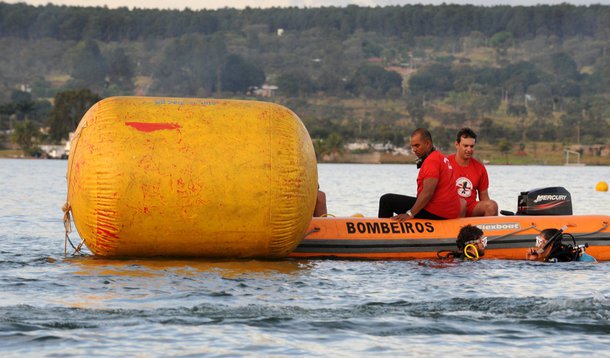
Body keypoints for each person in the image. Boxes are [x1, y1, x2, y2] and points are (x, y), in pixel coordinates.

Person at [378, 128, 462, 221]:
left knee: (386, 200)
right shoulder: (440, 157)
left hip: (438, 212)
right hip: (449, 211)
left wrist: (410, 213)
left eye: (417, 146)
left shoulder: (432, 161)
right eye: (412, 146)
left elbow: (428, 193)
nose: (414, 150)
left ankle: (382, 233)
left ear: (428, 143)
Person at [447, 128, 498, 217]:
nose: (469, 149)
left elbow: (484, 198)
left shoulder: (480, 168)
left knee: (492, 206)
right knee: (461, 203)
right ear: (457, 144)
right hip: (449, 207)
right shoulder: (445, 163)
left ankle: (486, 230)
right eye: (465, 146)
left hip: (470, 208)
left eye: (472, 146)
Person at [525, 228, 594, 262]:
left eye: (540, 241)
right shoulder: (550, 257)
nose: (538, 245)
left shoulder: (556, 258)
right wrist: (530, 259)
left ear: (549, 243)